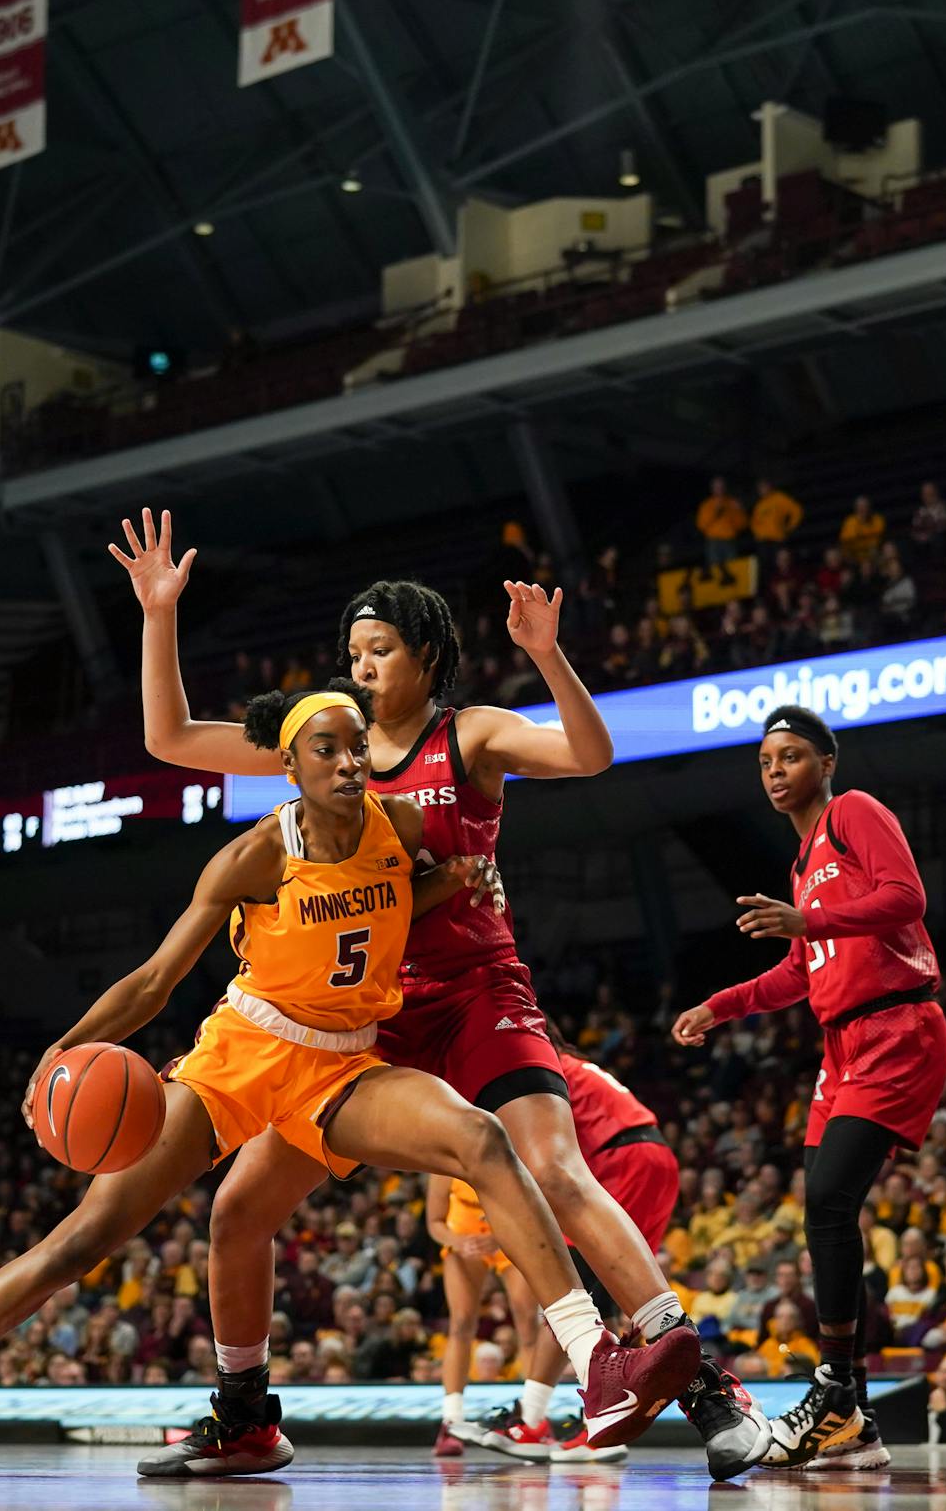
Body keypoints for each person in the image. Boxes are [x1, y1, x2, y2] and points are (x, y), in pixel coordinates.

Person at [0, 687, 697, 1481]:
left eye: (353, 745)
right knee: (84, 1237)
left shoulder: (401, 828)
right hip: (242, 1054)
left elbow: (409, 893)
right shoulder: (255, 855)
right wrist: (62, 1049)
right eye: (323, 749)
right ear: (289, 768)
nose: (346, 761)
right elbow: (152, 982)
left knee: (482, 1139)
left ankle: (595, 1363)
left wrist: (465, 875)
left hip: (343, 1061)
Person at [113, 510, 765, 1480]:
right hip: (359, 1018)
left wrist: (549, 657)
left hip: (472, 992)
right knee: (239, 1210)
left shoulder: (472, 736)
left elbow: (590, 754)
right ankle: (244, 1413)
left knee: (553, 1165)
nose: (361, 666)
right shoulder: (322, 743)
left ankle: (702, 1382)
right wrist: (159, 613)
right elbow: (169, 737)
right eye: (352, 652)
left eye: (378, 650)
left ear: (424, 655)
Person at [674, 704, 946, 1471]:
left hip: (897, 1028)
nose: (775, 771)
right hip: (841, 1047)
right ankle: (850, 1415)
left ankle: (835, 1390)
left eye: (791, 757)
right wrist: (718, 1006)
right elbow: (798, 973)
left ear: (826, 763)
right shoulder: (801, 867)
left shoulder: (854, 814)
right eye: (765, 762)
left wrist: (810, 917)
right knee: (821, 1213)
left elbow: (907, 899)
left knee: (831, 1199)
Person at [466, 1039, 678, 1464]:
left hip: (622, 1160)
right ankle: (600, 1422)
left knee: (569, 1295)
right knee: (620, 1296)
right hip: (653, 1157)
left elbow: (522, 1160)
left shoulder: (533, 1066)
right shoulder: (573, 1064)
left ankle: (530, 1421)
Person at [426, 1174, 540, 1457]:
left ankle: (534, 1419)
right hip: (464, 1240)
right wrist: (456, 1241)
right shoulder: (442, 1162)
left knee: (527, 1322)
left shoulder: (510, 1147)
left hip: (510, 1237)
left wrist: (499, 1237)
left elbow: (535, 1208)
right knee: (461, 1324)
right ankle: (451, 1421)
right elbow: (435, 1222)